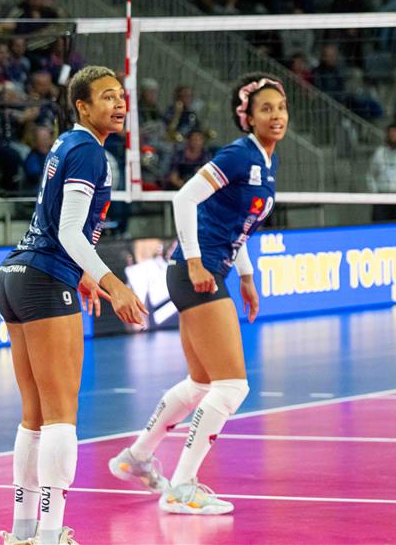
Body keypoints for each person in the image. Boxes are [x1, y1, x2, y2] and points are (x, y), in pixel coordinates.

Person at [107, 74, 284, 515]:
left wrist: (246, 276)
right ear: (247, 117)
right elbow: (184, 199)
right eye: (265, 108)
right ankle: (182, 487)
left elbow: (237, 227)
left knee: (201, 383)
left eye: (280, 107)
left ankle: (138, 456)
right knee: (232, 386)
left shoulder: (266, 161)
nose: (276, 115)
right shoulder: (240, 154)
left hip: (204, 271)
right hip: (195, 274)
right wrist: (194, 260)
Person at [0, 67, 147, 545]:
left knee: (35, 415)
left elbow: (56, 223)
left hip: (17, 275)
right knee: (60, 415)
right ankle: (50, 533)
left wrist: (81, 273)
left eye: (120, 96)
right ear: (82, 106)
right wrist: (112, 283)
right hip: (43, 279)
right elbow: (68, 231)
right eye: (107, 97)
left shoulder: (67, 143)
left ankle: (24, 531)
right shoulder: (88, 150)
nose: (118, 104)